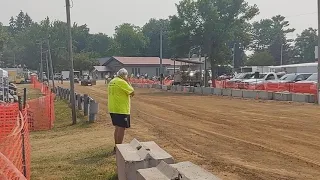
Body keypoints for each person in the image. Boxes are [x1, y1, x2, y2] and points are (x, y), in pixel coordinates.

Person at [108, 68, 135, 153]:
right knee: (121, 128)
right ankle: (119, 149)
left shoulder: (112, 81)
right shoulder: (122, 82)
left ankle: (116, 147)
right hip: (121, 109)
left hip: (113, 108)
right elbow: (132, 92)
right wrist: (128, 82)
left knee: (117, 128)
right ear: (124, 75)